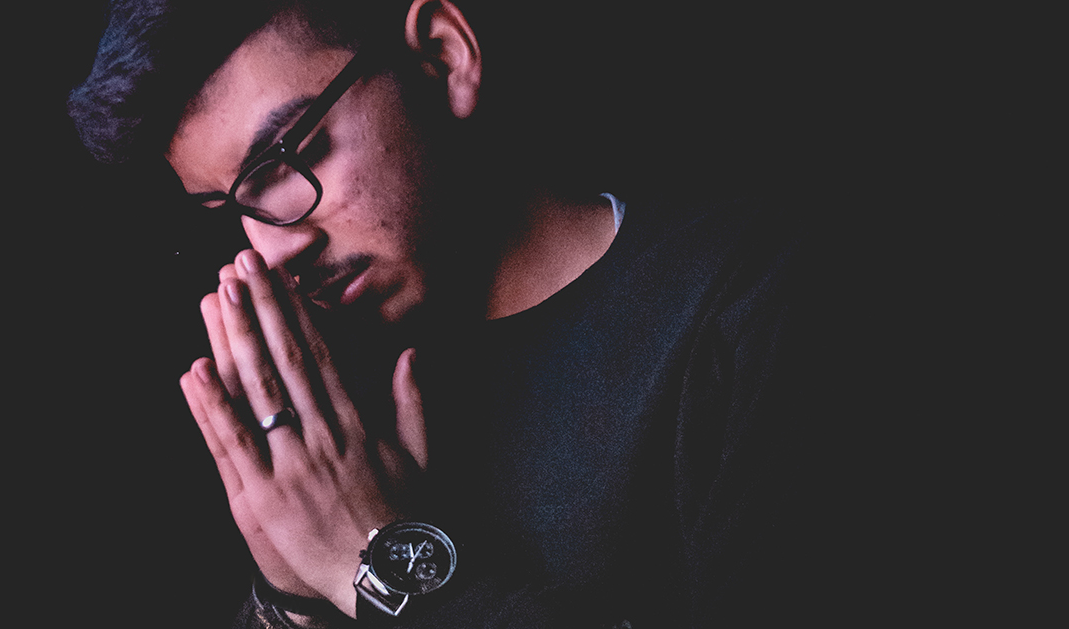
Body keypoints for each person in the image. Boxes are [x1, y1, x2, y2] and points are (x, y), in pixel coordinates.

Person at [69, 1, 866, 626]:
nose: (274, 250)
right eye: (228, 211)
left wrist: (380, 562)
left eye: (292, 158)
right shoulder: (332, 415)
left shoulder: (752, 306)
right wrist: (295, 593)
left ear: (444, 57)